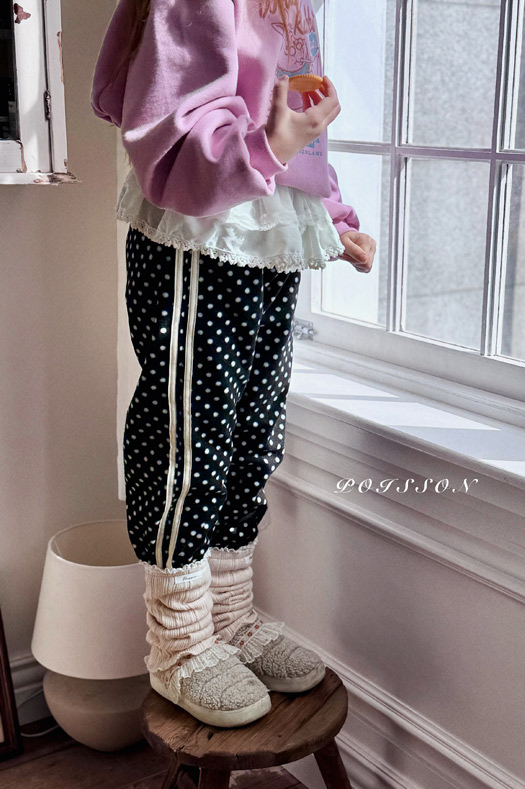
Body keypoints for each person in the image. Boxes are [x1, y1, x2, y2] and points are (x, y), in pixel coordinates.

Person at [90, 0, 376, 729]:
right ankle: (181, 641)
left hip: (266, 228)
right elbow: (168, 139)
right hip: (202, 232)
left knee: (253, 431)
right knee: (190, 434)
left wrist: (333, 217)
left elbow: (296, 123)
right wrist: (273, 140)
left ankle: (229, 616)